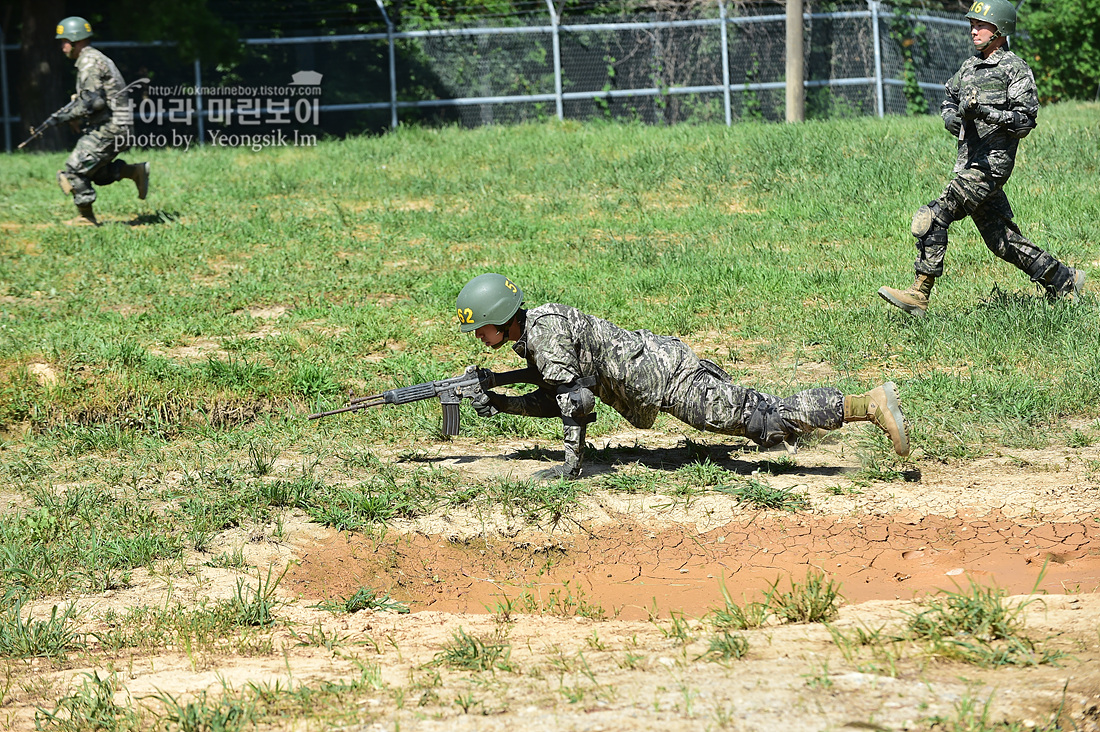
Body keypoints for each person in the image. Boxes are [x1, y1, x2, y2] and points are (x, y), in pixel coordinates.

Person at [457, 273, 910, 479]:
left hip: (669, 382)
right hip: (664, 365)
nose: (477, 335)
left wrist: (573, 464)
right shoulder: (538, 329)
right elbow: (554, 394)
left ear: (499, 317)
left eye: (479, 326)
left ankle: (867, 405)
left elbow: (575, 403)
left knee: (760, 418)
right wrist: (499, 401)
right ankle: (805, 431)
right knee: (755, 416)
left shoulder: (543, 336)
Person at [878, 0, 1084, 317]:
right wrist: (951, 117)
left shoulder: (1015, 69)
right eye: (972, 23)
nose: (974, 29)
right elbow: (949, 97)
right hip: (968, 164)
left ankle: (919, 294)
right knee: (1002, 241)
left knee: (933, 216)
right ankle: (1064, 279)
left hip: (991, 168)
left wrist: (986, 112)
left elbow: (1025, 121)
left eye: (981, 24)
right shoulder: (969, 66)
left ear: (1000, 31)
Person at [53, 16, 149, 227]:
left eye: (64, 41)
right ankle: (134, 171)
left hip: (111, 128)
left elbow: (94, 103)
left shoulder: (89, 62)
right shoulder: (94, 59)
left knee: (73, 171)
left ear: (75, 39)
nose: (62, 46)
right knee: (95, 172)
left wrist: (66, 116)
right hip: (118, 127)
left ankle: (85, 218)